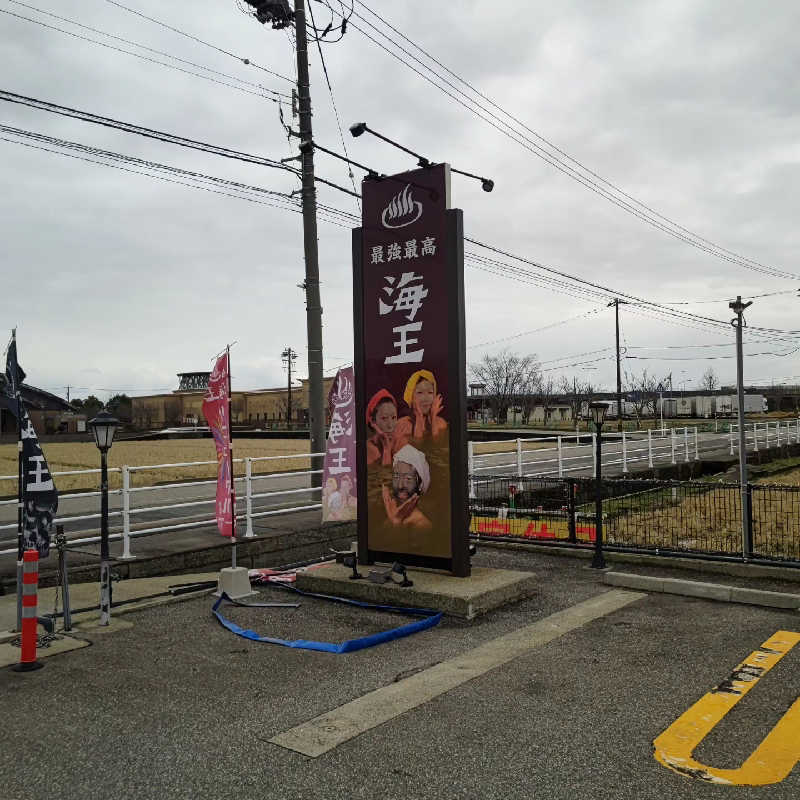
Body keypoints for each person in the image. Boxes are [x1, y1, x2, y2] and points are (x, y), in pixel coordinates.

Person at [382, 444, 432, 529]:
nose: (400, 485)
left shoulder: (422, 524)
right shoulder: (392, 514)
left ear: (420, 484)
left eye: (408, 478)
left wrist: (396, 521)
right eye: (396, 477)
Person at [396, 369, 447, 442]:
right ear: (410, 396)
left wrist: (433, 419)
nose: (426, 398)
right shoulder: (401, 426)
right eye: (420, 393)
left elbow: (437, 445)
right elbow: (416, 449)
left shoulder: (441, 424)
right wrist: (418, 418)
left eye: (430, 392)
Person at [366, 389, 406, 465]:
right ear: (372, 421)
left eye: (394, 418)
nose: (390, 425)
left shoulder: (401, 443)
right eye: (384, 418)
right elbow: (385, 476)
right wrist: (386, 449)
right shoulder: (368, 449)